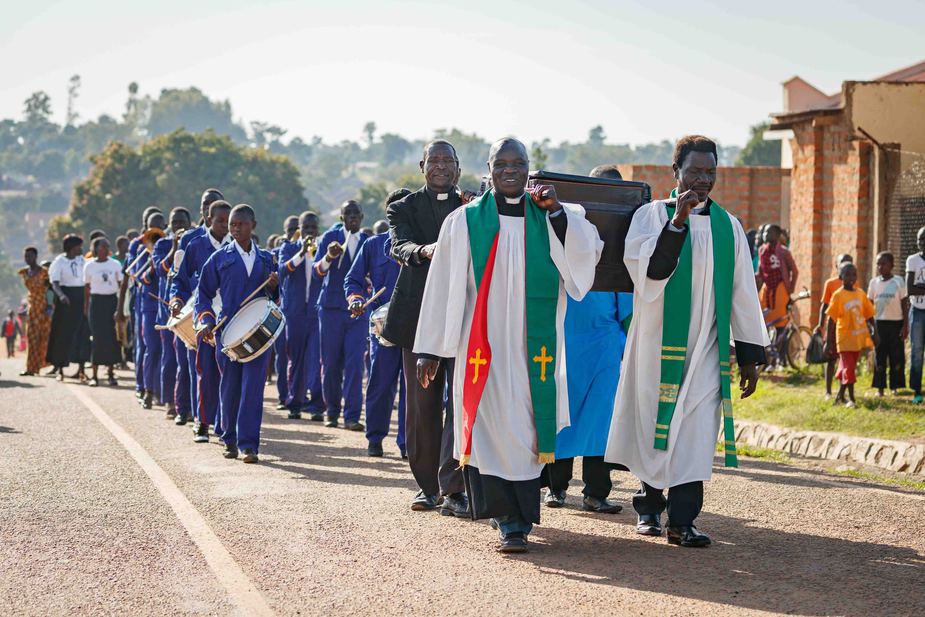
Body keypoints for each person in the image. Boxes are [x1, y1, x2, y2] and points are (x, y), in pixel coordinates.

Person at [415, 138, 602, 552]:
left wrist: (555, 214)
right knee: (489, 430)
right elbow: (442, 284)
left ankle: (520, 519)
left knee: (527, 432)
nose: (510, 170)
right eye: (502, 164)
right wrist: (430, 346)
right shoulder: (465, 222)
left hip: (533, 352)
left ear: (530, 169)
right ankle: (507, 521)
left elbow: (586, 253)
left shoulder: (552, 216)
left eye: (518, 163)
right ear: (489, 169)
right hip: (481, 348)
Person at [604, 135, 769, 548]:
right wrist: (676, 223)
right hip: (656, 347)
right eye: (695, 171)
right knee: (653, 426)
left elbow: (742, 293)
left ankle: (682, 521)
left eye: (710, 172)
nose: (703, 179)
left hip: (706, 350)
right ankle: (648, 509)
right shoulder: (649, 217)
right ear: (674, 172)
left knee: (694, 434)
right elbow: (651, 275)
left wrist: (748, 356)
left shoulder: (727, 226)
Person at [383, 140, 470, 515]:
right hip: (418, 318)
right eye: (433, 161)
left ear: (458, 169)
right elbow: (397, 244)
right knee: (422, 405)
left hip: (464, 317)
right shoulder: (403, 207)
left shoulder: (472, 207)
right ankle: (427, 487)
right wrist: (423, 251)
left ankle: (454, 486)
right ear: (422, 166)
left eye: (447, 161)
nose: (440, 167)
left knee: (462, 401)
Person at [543, 164, 631, 514]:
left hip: (605, 343)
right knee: (560, 413)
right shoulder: (564, 227)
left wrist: (625, 344)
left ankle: (597, 492)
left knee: (601, 419)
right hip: (565, 338)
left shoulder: (624, 240)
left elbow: (627, 305)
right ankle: (555, 487)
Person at [195, 204, 279, 463]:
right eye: (232, 224)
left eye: (240, 224)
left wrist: (275, 287)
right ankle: (229, 439)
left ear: (252, 225)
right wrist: (207, 320)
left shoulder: (266, 259)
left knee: (253, 389)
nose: (235, 228)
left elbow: (272, 298)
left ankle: (249, 445)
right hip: (227, 334)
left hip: (258, 336)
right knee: (229, 388)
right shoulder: (220, 258)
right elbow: (203, 294)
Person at [345, 189, 409, 458]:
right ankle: (375, 438)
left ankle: (408, 444)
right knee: (380, 384)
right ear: (388, 213)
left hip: (415, 327)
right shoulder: (372, 246)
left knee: (412, 389)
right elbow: (353, 280)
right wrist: (356, 300)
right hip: (382, 329)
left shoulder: (425, 245)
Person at [171, 199, 232, 442]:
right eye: (220, 221)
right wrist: (176, 299)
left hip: (230, 316)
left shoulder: (238, 245)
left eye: (229, 222)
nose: (226, 226)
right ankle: (202, 423)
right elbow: (181, 279)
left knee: (228, 373)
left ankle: (225, 423)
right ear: (208, 219)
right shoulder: (195, 245)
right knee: (205, 371)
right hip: (204, 315)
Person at [312, 200, 369, 431]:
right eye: (348, 214)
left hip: (358, 312)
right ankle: (332, 412)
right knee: (331, 363)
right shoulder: (329, 238)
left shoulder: (367, 241)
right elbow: (317, 271)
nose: (353, 217)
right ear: (341, 217)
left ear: (362, 217)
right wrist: (328, 257)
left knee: (355, 364)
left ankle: (352, 416)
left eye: (356, 213)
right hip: (331, 309)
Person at [277, 211, 325, 420]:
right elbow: (281, 271)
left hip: (315, 314)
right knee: (295, 359)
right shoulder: (288, 247)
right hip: (294, 313)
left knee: (315, 360)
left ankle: (316, 406)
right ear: (300, 230)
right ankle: (295, 403)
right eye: (306, 228)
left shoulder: (323, 249)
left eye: (313, 229)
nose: (310, 232)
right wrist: (301, 254)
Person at [152, 207, 193, 420]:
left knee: (188, 361)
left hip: (189, 310)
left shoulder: (194, 242)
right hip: (167, 311)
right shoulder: (162, 244)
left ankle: (188, 403)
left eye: (182, 222)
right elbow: (161, 269)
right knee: (170, 358)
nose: (178, 226)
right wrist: (175, 246)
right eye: (175, 222)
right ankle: (170, 401)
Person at [118, 207, 163, 397]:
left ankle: (159, 387)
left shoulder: (167, 242)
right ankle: (141, 385)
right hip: (142, 299)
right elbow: (134, 274)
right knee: (143, 345)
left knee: (159, 348)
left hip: (162, 299)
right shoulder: (138, 245)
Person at [826, 262, 877, 407]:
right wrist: (828, 342)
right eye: (847, 274)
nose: (851, 277)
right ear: (840, 276)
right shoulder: (838, 295)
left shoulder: (860, 294)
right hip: (844, 339)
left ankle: (839, 396)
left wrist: (875, 332)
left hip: (857, 338)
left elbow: (869, 315)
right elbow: (831, 319)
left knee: (849, 368)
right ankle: (852, 399)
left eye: (854, 274)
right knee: (849, 368)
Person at [47, 234, 92, 382]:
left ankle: (81, 369)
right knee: (63, 335)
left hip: (80, 298)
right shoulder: (59, 262)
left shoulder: (82, 261)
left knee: (82, 333)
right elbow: (54, 283)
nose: (81, 248)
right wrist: (61, 295)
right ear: (72, 248)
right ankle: (60, 368)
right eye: (78, 246)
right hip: (66, 300)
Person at [136, 212, 168, 409]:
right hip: (149, 307)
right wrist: (152, 262)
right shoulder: (141, 250)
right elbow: (144, 279)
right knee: (152, 348)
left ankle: (160, 391)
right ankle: (147, 389)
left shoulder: (167, 247)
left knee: (165, 351)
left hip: (165, 305)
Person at [83, 236, 123, 386]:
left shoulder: (115, 264)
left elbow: (121, 286)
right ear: (96, 249)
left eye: (107, 246)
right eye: (103, 247)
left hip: (111, 302)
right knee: (97, 339)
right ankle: (94, 375)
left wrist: (120, 308)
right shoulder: (89, 266)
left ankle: (111, 374)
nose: (106, 249)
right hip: (96, 303)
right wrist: (86, 308)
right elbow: (86, 289)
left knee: (112, 338)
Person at [867, 252, 909, 397]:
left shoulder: (899, 281)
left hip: (896, 324)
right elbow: (869, 306)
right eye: (878, 263)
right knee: (880, 356)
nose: (880, 266)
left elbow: (904, 304)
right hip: (879, 325)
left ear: (892, 265)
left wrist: (905, 326)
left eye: (883, 263)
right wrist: (871, 327)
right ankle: (880, 388)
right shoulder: (874, 283)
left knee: (896, 356)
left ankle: (894, 387)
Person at [757, 225, 798, 358]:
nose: (765, 234)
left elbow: (795, 271)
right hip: (767, 288)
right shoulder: (762, 250)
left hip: (780, 288)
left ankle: (780, 358)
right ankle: (767, 356)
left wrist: (789, 289)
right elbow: (761, 272)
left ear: (777, 234)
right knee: (764, 321)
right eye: (764, 232)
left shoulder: (784, 252)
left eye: (769, 232)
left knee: (780, 323)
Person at [816, 254, 854, 398]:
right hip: (833, 327)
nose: (846, 266)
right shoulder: (830, 284)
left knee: (845, 361)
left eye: (849, 263)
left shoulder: (853, 283)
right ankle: (828, 391)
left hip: (847, 328)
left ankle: (842, 391)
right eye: (842, 263)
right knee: (831, 359)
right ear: (836, 266)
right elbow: (824, 305)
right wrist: (820, 325)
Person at [18, 247, 51, 376]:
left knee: (43, 337)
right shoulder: (24, 272)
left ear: (35, 257)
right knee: (31, 337)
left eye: (30, 256)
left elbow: (50, 289)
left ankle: (41, 365)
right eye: (26, 256)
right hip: (32, 308)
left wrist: (50, 306)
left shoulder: (44, 272)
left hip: (44, 307)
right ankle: (30, 367)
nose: (27, 259)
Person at [906, 226, 925, 404]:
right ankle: (916, 390)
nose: (922, 243)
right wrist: (917, 289)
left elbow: (916, 288)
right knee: (917, 352)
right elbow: (910, 289)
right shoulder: (913, 260)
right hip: (918, 312)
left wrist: (921, 289)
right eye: (920, 240)